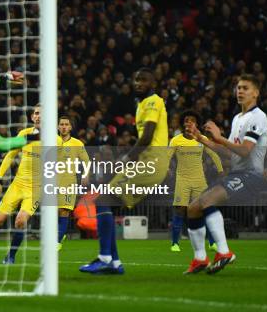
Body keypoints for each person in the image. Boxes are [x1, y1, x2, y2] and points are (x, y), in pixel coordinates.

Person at [80, 68, 170, 274]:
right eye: (136, 80)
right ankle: (114, 263)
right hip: (146, 162)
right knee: (106, 204)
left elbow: (147, 137)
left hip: (151, 162)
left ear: (152, 83)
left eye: (143, 80)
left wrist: (127, 158)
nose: (138, 83)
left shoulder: (153, 101)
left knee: (103, 201)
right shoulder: (142, 105)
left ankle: (105, 258)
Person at [184, 74, 267, 274]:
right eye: (238, 87)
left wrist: (220, 138)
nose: (240, 91)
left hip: (251, 176)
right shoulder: (237, 118)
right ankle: (200, 259)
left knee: (207, 201)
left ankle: (224, 253)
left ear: (256, 93)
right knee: (193, 208)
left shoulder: (259, 117)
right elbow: (230, 153)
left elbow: (245, 150)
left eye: (245, 88)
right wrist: (202, 139)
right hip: (237, 174)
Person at [0, 106, 41, 265]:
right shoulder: (24, 134)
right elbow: (10, 156)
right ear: (32, 117)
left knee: (20, 221)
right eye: (37, 113)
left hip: (35, 189)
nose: (39, 116)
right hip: (17, 184)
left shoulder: (56, 140)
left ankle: (10, 256)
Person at [168, 110, 223, 253]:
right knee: (180, 210)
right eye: (186, 120)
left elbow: (214, 154)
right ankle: (175, 243)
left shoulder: (201, 138)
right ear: (183, 123)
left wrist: (221, 170)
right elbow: (166, 157)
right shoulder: (175, 140)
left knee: (206, 210)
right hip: (182, 181)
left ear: (197, 123)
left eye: (192, 120)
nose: (189, 122)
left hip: (199, 181)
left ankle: (212, 243)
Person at [56, 115, 90, 250]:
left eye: (66, 124)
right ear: (58, 127)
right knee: (54, 212)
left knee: (64, 211)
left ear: (70, 127)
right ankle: (59, 234)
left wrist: (85, 175)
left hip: (69, 182)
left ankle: (56, 242)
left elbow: (86, 162)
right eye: (61, 124)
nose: (64, 127)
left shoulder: (77, 144)